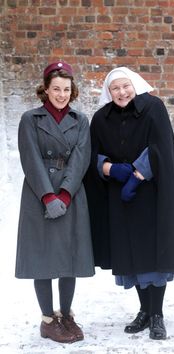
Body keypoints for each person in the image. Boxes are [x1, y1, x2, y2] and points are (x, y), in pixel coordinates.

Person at [84, 67, 174, 340]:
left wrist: (136, 174)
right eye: (115, 88)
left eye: (125, 86)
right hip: (119, 198)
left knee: (154, 253)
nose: (121, 92)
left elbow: (160, 146)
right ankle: (144, 311)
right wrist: (110, 169)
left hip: (151, 194)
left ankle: (156, 313)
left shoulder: (153, 107)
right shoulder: (101, 118)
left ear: (134, 84)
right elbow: (92, 155)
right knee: (132, 255)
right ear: (108, 92)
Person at [15, 61, 94, 343]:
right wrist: (48, 196)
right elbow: (30, 159)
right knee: (43, 257)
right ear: (45, 89)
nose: (61, 94)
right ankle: (48, 319)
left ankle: (67, 315)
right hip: (39, 194)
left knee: (69, 257)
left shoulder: (80, 120)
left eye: (66, 89)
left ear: (72, 91)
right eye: (56, 88)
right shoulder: (30, 119)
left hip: (70, 194)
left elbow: (81, 157)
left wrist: (64, 193)